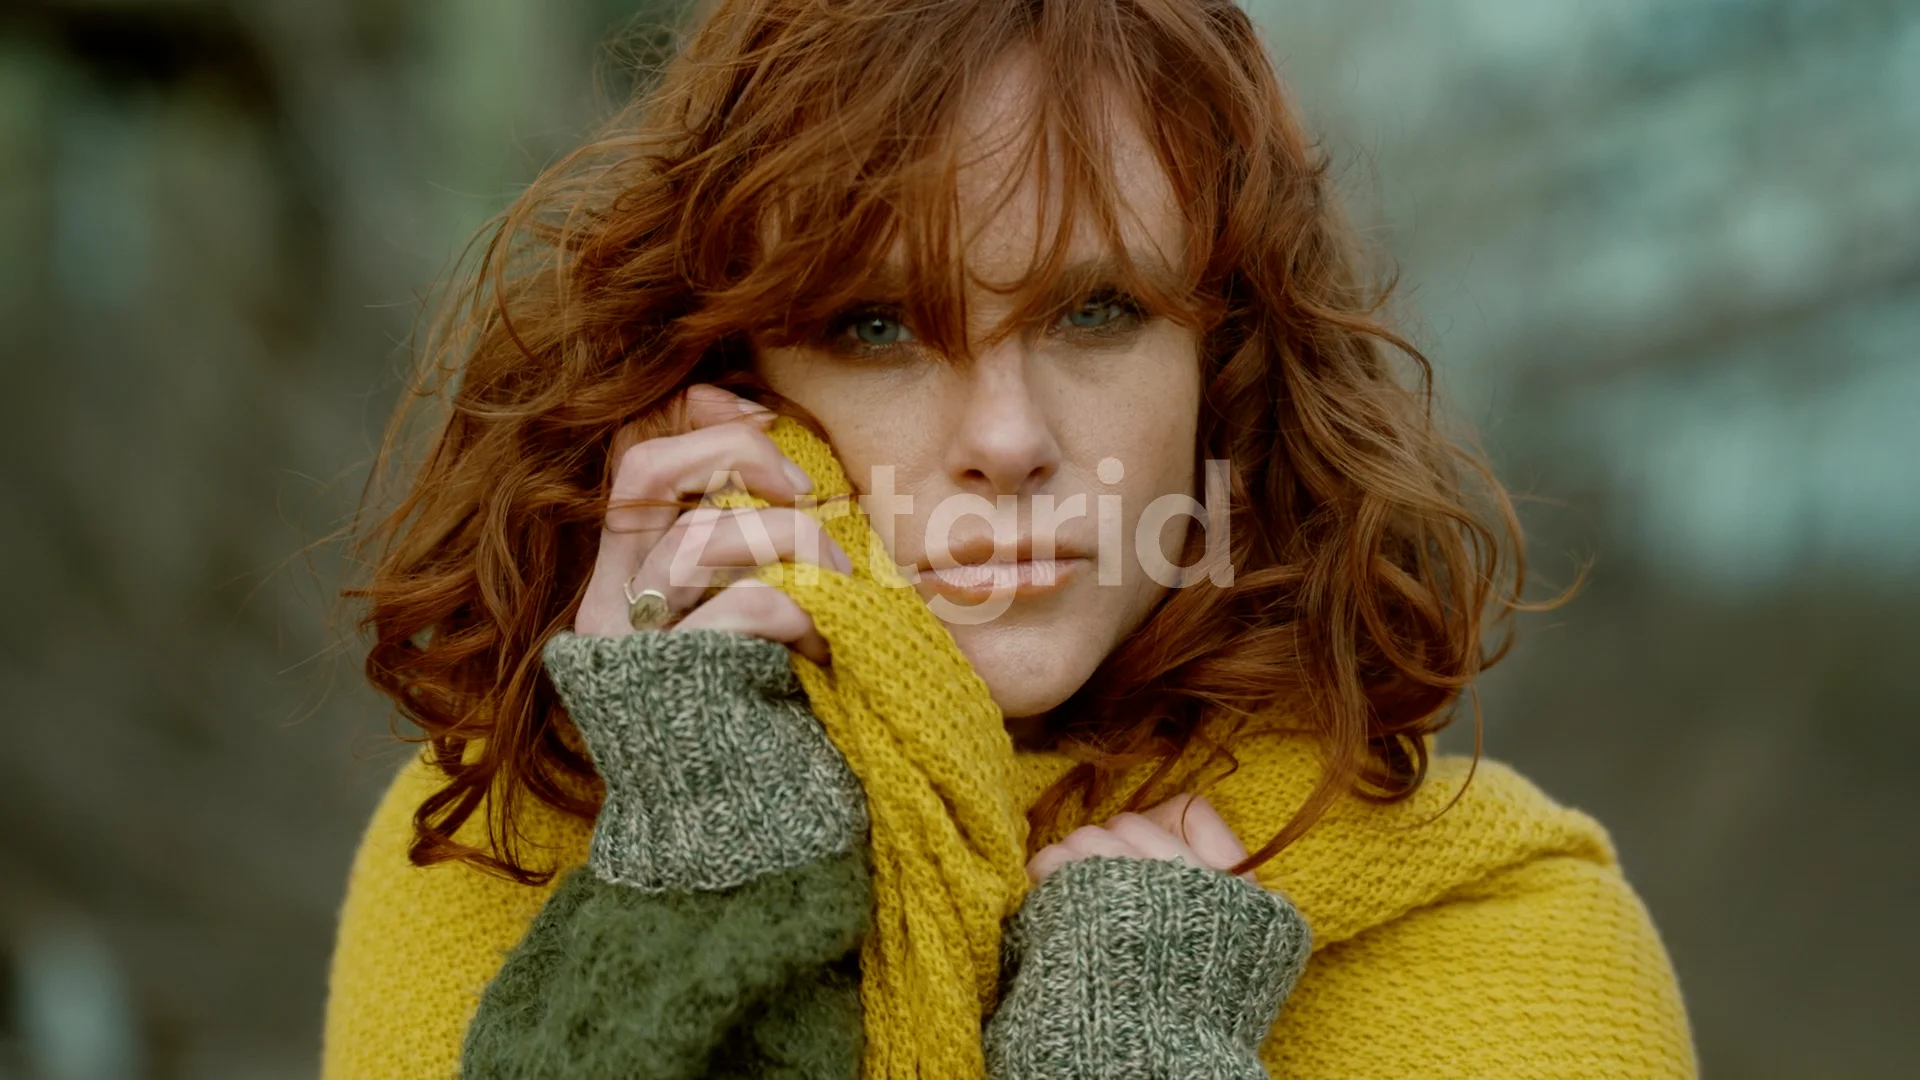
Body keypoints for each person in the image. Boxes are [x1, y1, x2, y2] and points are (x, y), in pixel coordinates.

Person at [322, 0, 1698, 1077]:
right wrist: (704, 873)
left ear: (1229, 369)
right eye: (877, 325)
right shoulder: (503, 843)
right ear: (723, 385)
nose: (1008, 436)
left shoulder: (1506, 929)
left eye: (1096, 312)